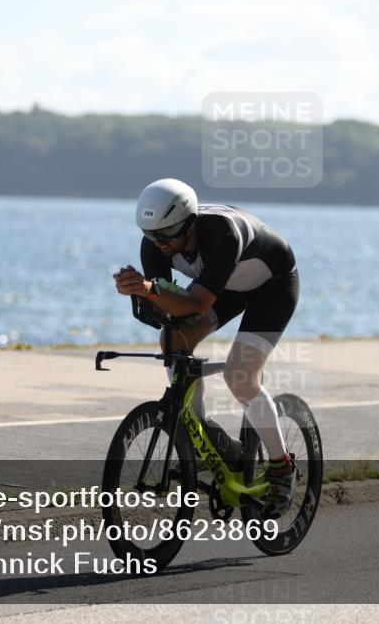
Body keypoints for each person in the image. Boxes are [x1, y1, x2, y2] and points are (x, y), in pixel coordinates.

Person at [114, 178, 300, 518]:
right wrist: (140, 294)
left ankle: (281, 468)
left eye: (168, 235)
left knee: (240, 376)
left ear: (190, 223)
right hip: (226, 288)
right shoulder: (155, 242)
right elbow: (168, 308)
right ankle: (203, 436)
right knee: (172, 341)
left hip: (272, 286)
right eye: (152, 235)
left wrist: (148, 289)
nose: (161, 244)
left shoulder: (222, 233)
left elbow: (197, 303)